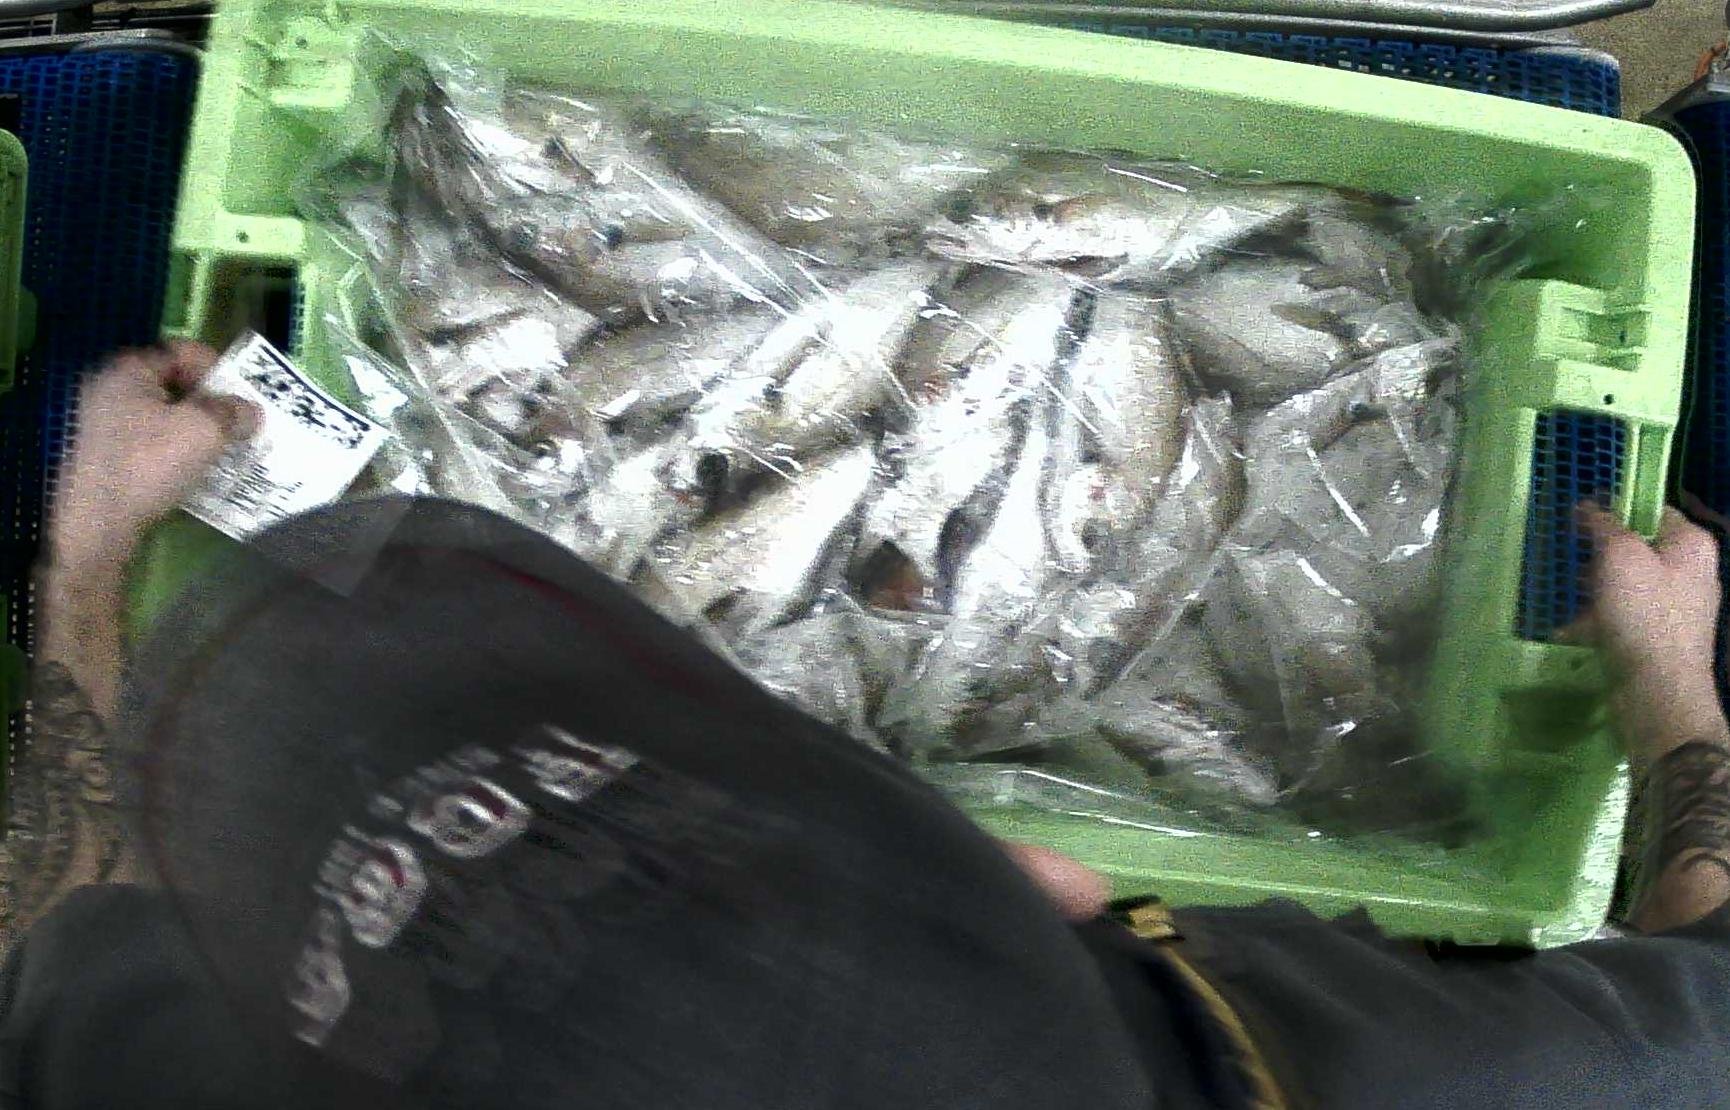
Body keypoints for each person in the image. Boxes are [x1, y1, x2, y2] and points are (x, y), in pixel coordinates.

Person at [0, 343, 1725, 1109]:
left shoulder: (156, 1070)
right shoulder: (1452, 1072)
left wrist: (81, 559)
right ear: (1053, 886)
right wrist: (1671, 686)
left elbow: (48, 924)